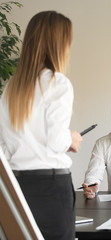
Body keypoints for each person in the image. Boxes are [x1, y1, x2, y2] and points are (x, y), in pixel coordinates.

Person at [0, 11, 82, 240]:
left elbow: (3, 147)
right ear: (59, 44)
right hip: (52, 188)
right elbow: (57, 140)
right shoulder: (58, 83)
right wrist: (72, 138)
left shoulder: (11, 88)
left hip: (18, 187)